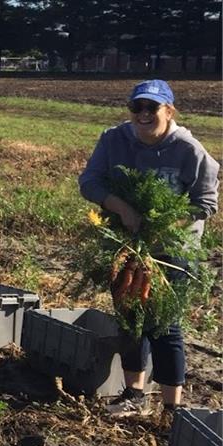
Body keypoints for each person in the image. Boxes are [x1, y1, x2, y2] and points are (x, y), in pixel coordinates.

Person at [79, 79, 218, 416]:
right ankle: (134, 394)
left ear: (169, 111)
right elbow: (90, 182)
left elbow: (205, 202)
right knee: (129, 320)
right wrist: (122, 208)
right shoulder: (114, 140)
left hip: (173, 252)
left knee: (163, 326)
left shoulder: (189, 149)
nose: (143, 114)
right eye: (136, 107)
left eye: (151, 108)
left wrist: (165, 227)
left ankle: (173, 409)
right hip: (127, 245)